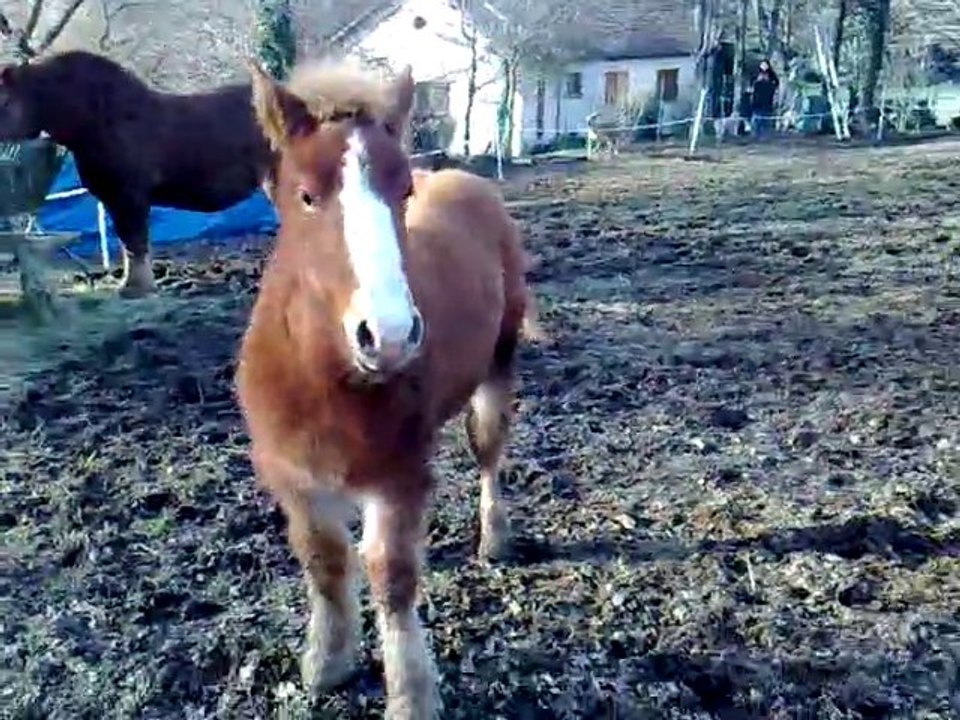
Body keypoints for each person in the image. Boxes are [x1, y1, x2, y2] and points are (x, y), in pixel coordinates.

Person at [751, 59, 780, 139]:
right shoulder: (756, 75)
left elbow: (776, 84)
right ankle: (756, 135)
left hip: (767, 101)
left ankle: (766, 136)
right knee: (757, 120)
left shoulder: (772, 77)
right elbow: (752, 86)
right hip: (757, 101)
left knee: (766, 120)